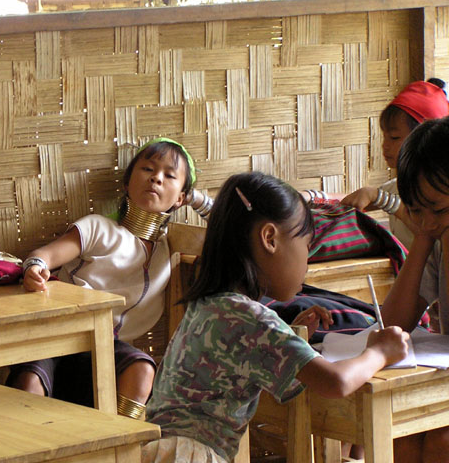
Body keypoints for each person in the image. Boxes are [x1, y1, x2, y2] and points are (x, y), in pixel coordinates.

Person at [144, 171, 410, 463]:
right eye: (306, 246)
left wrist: (291, 333)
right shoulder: (250, 317)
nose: (306, 262)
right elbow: (336, 382)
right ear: (270, 238)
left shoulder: (208, 305)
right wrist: (379, 352)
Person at [10, 137, 208, 419]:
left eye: (169, 175)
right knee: (31, 383)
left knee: (142, 370)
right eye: (147, 169)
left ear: (180, 198)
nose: (156, 178)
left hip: (106, 351)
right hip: (55, 338)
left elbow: (233, 233)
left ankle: (119, 439)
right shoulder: (98, 228)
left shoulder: (170, 245)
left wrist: (196, 199)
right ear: (127, 183)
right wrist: (35, 268)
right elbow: (44, 256)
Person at [381, 116, 449, 462]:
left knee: (442, 444)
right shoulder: (433, 235)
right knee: (402, 441)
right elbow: (394, 323)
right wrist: (423, 239)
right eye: (417, 211)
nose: (428, 221)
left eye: (438, 209)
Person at [336, 78, 449, 248]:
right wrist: (315, 197)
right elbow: (359, 198)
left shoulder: (439, 195)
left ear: (422, 140)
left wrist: (379, 197)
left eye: (394, 137)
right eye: (385, 137)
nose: (385, 145)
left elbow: (422, 231)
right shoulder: (396, 187)